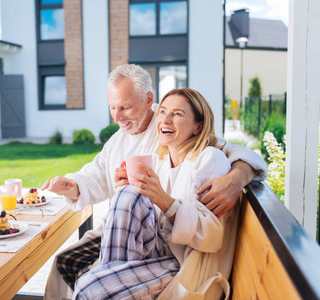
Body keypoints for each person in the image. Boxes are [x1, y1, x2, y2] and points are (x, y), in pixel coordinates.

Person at [42, 64, 267, 300]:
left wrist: (237, 177)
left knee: (90, 281)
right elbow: (97, 173)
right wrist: (72, 185)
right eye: (112, 108)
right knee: (66, 260)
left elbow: (230, 152)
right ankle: (112, 279)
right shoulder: (128, 142)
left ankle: (106, 281)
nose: (117, 117)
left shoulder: (178, 132)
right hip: (137, 233)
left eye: (125, 107)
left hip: (171, 247)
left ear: (149, 99)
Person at [73, 87, 239, 299]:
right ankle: (109, 275)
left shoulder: (210, 159)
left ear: (198, 126)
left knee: (88, 287)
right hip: (159, 251)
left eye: (177, 114)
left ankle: (107, 277)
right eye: (162, 112)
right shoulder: (159, 159)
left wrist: (165, 201)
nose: (165, 120)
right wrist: (127, 188)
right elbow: (145, 216)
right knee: (128, 195)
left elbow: (212, 236)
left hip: (185, 263)